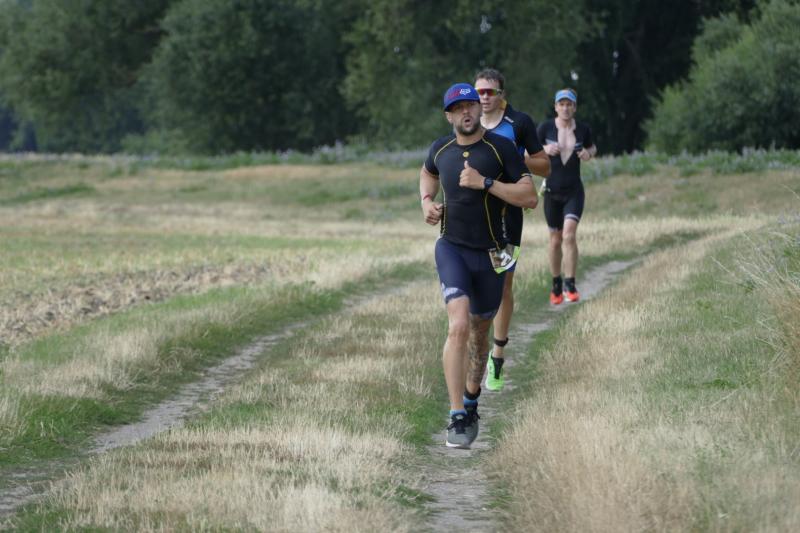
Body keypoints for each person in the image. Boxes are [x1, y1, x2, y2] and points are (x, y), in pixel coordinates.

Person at [420, 82, 537, 449]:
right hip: (451, 248)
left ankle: (471, 401)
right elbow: (427, 173)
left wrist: (486, 183)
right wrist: (426, 201)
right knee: (458, 326)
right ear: (449, 116)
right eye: (458, 108)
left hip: (493, 253)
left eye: (470, 105)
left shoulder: (500, 148)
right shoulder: (440, 149)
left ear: (478, 109)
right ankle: (457, 416)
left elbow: (530, 197)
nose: (466, 112)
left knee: (479, 331)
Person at [474, 68, 550, 392]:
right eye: (479, 92)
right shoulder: (468, 120)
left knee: (503, 284)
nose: (484, 97)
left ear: (501, 94)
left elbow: (544, 165)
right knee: (474, 281)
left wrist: (515, 157)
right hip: (474, 212)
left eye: (490, 92)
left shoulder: (518, 123)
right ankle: (474, 346)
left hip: (508, 213)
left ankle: (498, 355)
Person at [536, 88, 597, 304]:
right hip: (552, 192)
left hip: (574, 191)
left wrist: (588, 154)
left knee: (569, 236)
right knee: (555, 240)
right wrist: (545, 149)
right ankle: (556, 284)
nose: (565, 108)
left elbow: (592, 148)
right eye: (561, 104)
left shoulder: (583, 129)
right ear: (555, 107)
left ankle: (570, 284)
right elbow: (528, 151)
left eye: (569, 104)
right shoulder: (545, 128)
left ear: (574, 107)